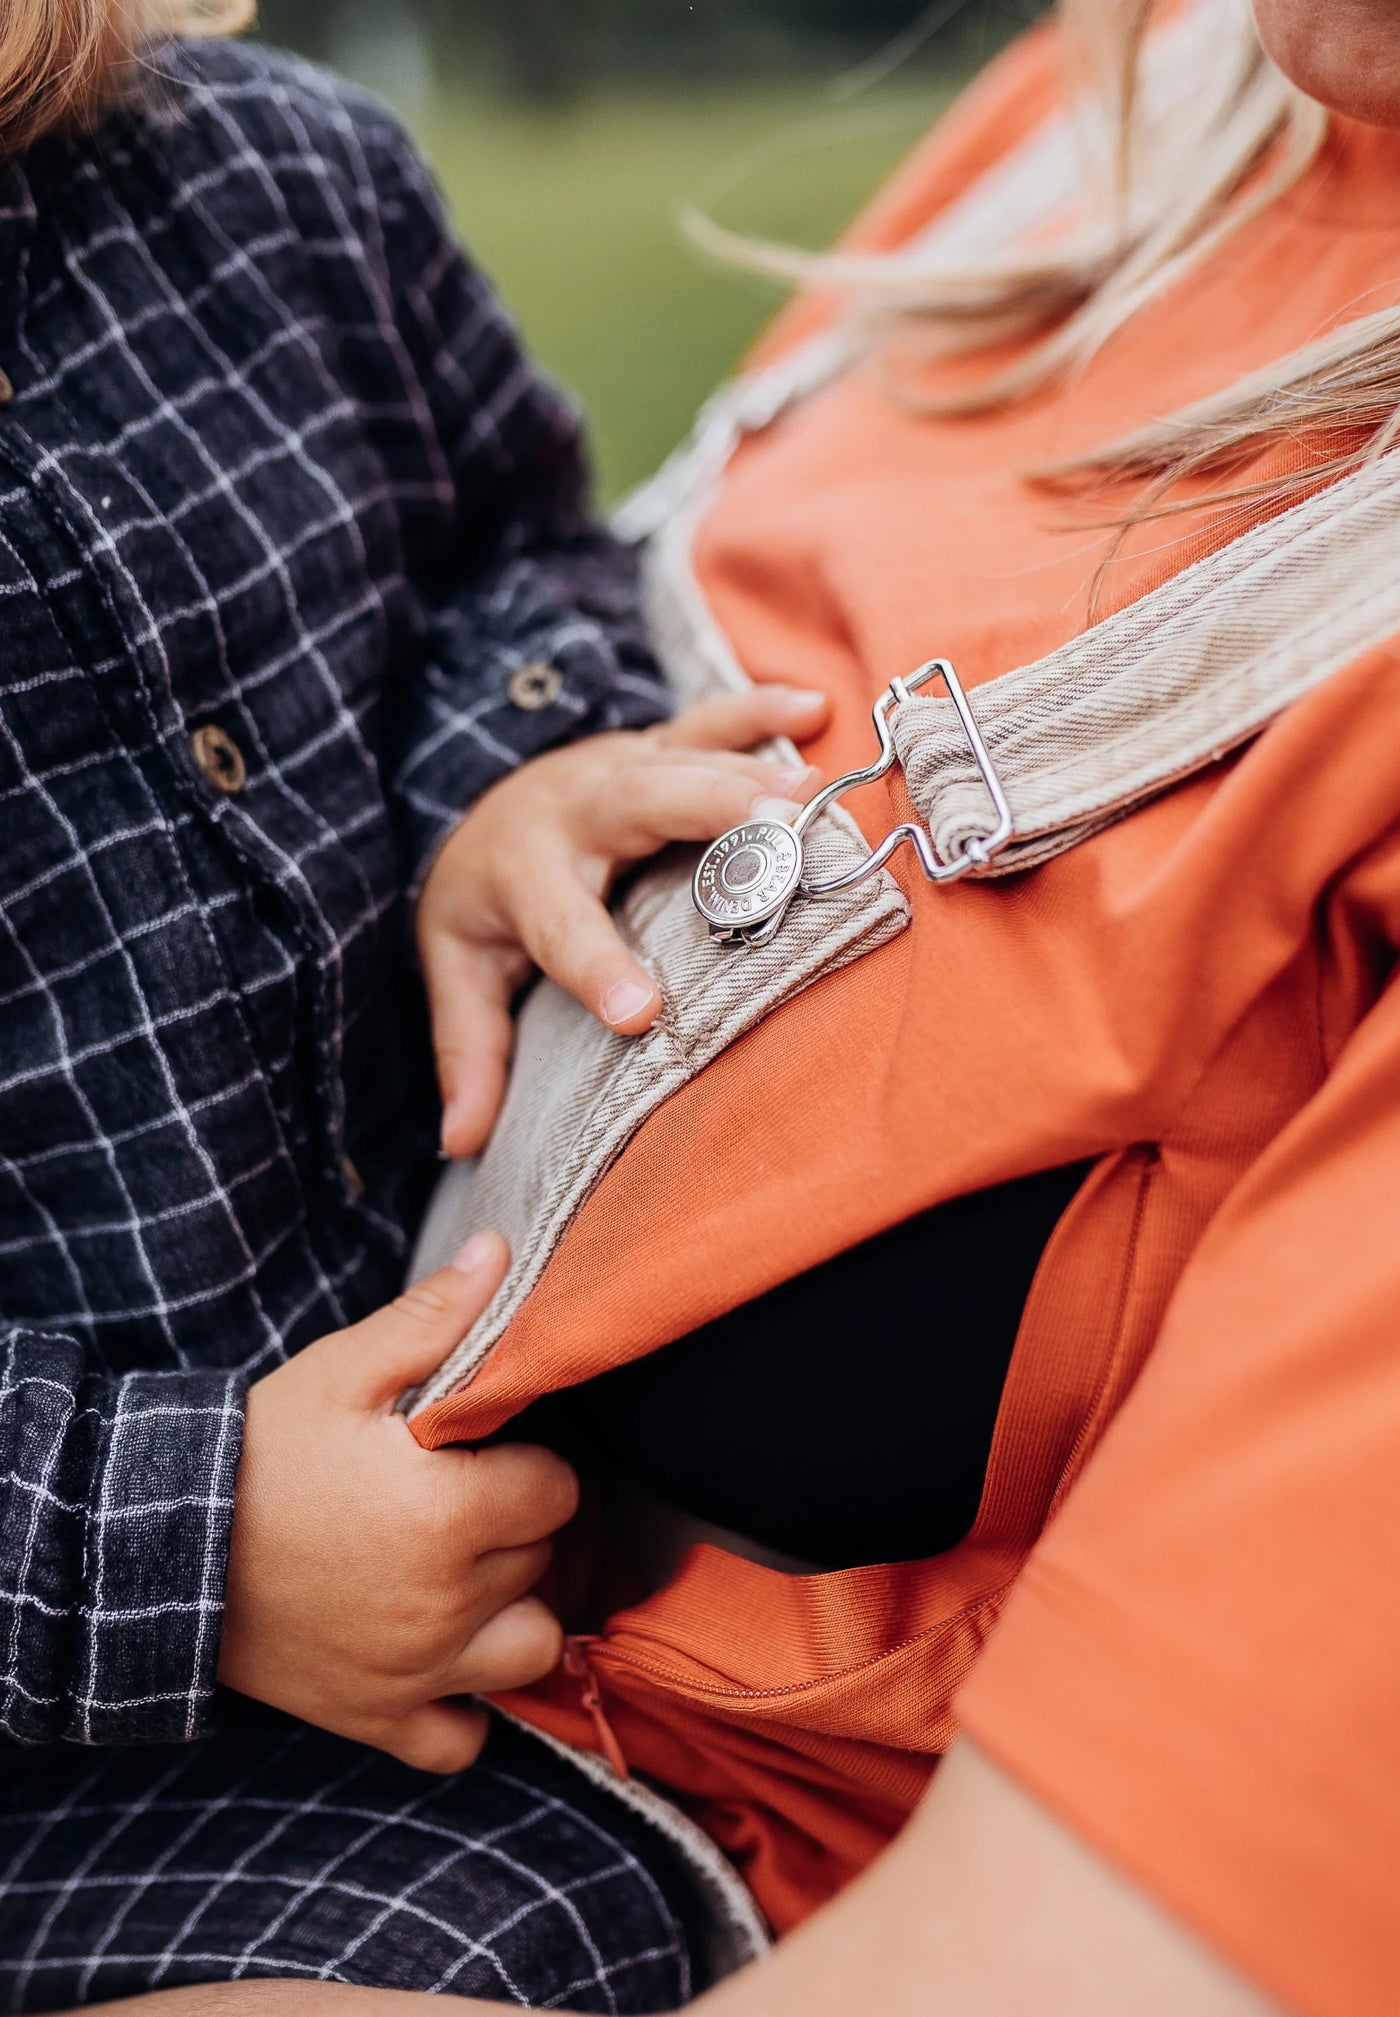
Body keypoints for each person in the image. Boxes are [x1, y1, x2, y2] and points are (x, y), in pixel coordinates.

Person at [11, 5, 1400, 2017]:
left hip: (488, 1820)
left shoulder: (268, 188)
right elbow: (515, 590)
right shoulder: (1149, 90)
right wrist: (505, 802)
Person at [0, 1, 829, 2005]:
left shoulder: (292, 181)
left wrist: (501, 787)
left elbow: (528, 552)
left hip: (547, 1494)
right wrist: (191, 1540)